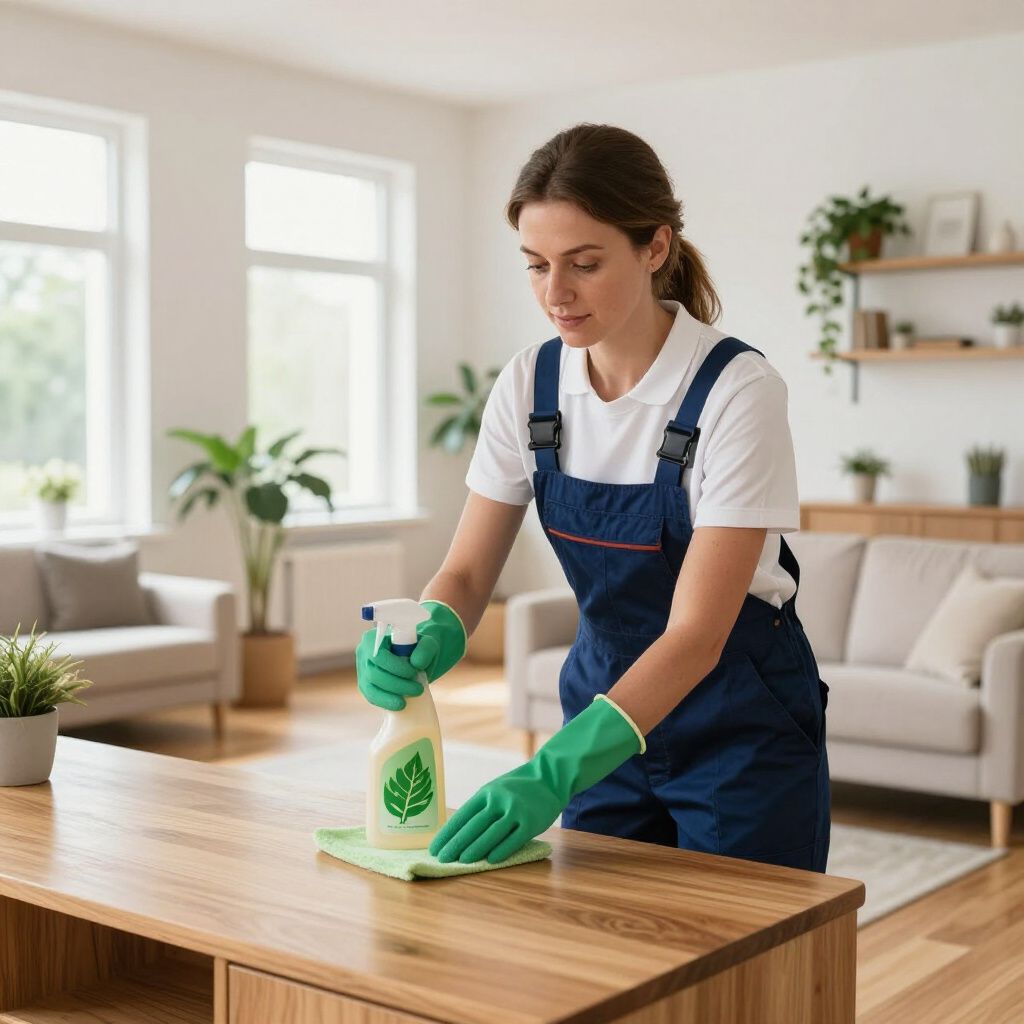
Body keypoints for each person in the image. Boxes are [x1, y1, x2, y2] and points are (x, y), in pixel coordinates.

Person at [355, 123, 830, 873]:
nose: (556, 294)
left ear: (655, 248)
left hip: (740, 725)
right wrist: (432, 626)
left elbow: (698, 635)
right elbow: (470, 573)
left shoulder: (736, 391)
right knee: (602, 961)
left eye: (584, 263)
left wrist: (556, 770)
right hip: (605, 708)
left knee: (746, 974)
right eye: (536, 265)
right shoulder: (530, 384)